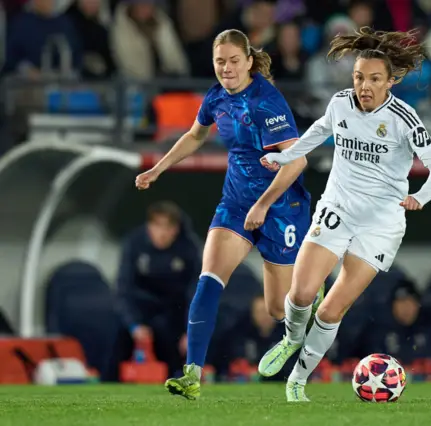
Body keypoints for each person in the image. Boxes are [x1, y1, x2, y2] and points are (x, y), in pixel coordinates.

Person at [257, 27, 431, 401]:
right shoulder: (340, 103)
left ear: (390, 82)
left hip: (380, 223)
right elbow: (315, 133)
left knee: (331, 310)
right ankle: (291, 338)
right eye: (359, 77)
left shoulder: (404, 119)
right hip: (338, 208)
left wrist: (420, 197)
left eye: (374, 79)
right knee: (299, 294)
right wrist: (282, 156)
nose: (365, 85)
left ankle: (297, 380)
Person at [134, 28, 324, 400]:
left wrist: (264, 204)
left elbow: (297, 160)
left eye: (234, 60)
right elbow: (195, 134)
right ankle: (192, 374)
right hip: (236, 204)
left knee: (276, 308)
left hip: (281, 207)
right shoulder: (216, 96)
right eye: (220, 61)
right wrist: (159, 168)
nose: (226, 68)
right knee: (209, 279)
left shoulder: (267, 102)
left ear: (249, 61)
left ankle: (309, 303)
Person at [108, 201, 200, 381]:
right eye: (158, 226)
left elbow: (195, 293)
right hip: (139, 309)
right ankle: (107, 384)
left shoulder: (189, 249)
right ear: (149, 227)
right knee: (117, 335)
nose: (163, 233)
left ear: (176, 229)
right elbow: (123, 288)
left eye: (168, 227)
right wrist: (134, 324)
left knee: (172, 343)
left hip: (174, 313)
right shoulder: (134, 244)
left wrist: (191, 331)